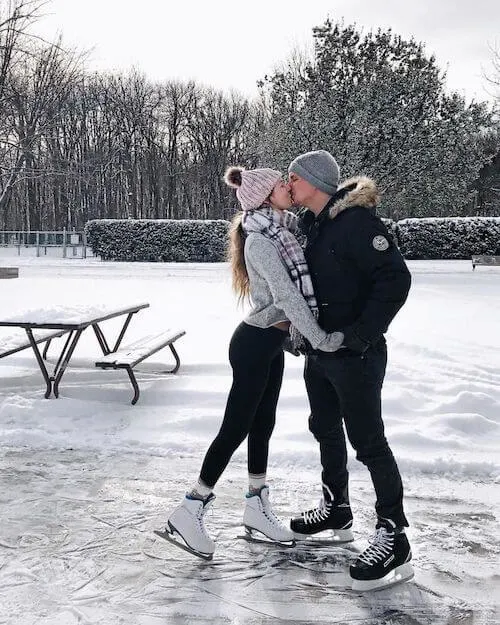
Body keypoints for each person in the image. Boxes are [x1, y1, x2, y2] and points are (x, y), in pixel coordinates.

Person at [160, 165, 344, 560]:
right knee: (236, 428)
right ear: (264, 197)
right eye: (281, 184)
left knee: (263, 425)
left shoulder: (282, 232)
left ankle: (256, 506)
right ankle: (190, 508)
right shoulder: (261, 241)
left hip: (270, 343)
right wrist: (321, 339)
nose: (287, 188)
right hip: (253, 343)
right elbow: (289, 298)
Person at [287, 150, 413, 591]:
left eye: (294, 178)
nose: (290, 185)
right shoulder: (312, 226)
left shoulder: (357, 224)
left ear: (316, 183)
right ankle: (337, 506)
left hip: (355, 354)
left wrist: (360, 335)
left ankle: (393, 534)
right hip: (320, 353)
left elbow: (396, 280)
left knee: (369, 443)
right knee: (324, 428)